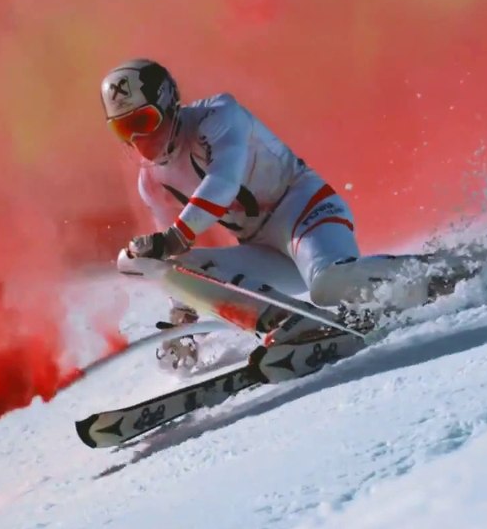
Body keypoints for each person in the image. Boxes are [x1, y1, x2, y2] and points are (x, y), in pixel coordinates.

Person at [100, 58, 430, 369]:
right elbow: (174, 256)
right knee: (170, 265)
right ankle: (289, 325)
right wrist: (182, 319)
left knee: (328, 284)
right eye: (123, 130)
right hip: (262, 248)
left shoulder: (218, 116)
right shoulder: (151, 182)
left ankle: (435, 273)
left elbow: (222, 183)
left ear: (169, 105)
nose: (138, 140)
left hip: (308, 216)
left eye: (143, 122)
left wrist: (172, 237)